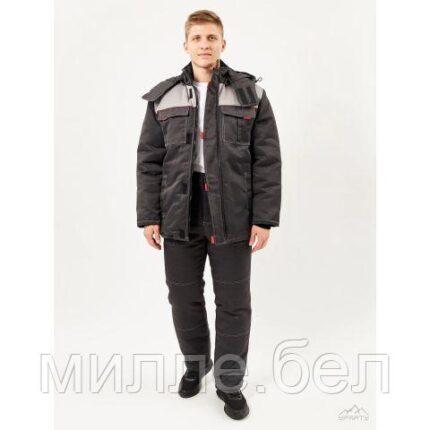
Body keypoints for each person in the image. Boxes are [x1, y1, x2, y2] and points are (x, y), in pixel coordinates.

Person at [136, 9, 281, 420]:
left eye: (211, 37)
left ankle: (229, 383)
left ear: (223, 44)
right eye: (197, 38)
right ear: (185, 44)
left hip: (232, 212)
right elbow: (149, 160)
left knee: (233, 302)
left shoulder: (250, 94)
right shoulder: (164, 96)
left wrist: (263, 217)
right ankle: (195, 365)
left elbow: (267, 160)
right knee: (183, 297)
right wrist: (149, 215)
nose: (204, 44)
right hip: (178, 211)